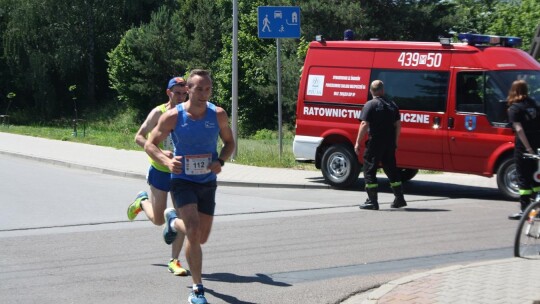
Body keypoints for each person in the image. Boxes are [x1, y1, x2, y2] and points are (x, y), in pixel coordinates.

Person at [144, 69, 235, 304]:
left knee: (201, 237)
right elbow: (150, 144)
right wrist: (166, 160)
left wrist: (221, 160)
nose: (204, 93)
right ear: (188, 90)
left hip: (207, 182)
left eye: (208, 89)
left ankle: (172, 220)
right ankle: (197, 289)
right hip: (182, 181)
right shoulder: (173, 116)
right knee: (193, 232)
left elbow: (229, 143)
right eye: (198, 89)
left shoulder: (219, 115)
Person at [127, 76, 189, 275]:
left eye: (183, 93)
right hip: (160, 170)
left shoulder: (189, 114)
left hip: (182, 173)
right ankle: (142, 201)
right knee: (158, 220)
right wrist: (162, 154)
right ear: (168, 93)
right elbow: (139, 137)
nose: (180, 96)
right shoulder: (158, 112)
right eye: (176, 93)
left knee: (183, 218)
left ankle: (175, 261)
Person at [354, 80, 407, 210]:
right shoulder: (392, 105)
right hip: (389, 143)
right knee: (392, 170)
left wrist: (357, 143)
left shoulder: (370, 105)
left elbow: (364, 124)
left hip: (375, 143)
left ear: (371, 91)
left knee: (369, 170)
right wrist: (395, 142)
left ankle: (372, 201)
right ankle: (399, 199)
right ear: (383, 90)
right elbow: (398, 125)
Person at [507, 79, 540, 220]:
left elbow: (519, 129)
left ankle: (524, 210)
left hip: (524, 148)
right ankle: (537, 208)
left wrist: (527, 148)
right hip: (537, 144)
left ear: (513, 90)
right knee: (536, 177)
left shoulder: (514, 108)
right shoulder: (534, 105)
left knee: (523, 179)